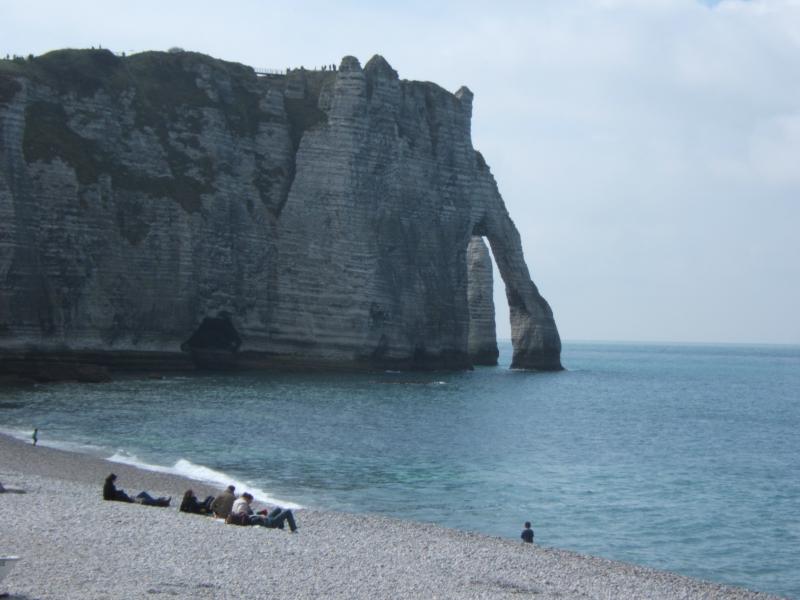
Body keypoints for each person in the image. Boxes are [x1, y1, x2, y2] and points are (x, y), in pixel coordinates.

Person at [230, 492, 297, 532]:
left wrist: (258, 514)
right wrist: (260, 516)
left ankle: (281, 527)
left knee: (278, 509)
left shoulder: (237, 501)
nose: (250, 503)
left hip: (262, 520)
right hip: (269, 523)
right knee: (288, 511)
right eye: (250, 501)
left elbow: (246, 515)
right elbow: (242, 513)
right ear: (247, 499)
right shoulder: (243, 504)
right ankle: (293, 529)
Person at [102, 473, 170, 507]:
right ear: (112, 479)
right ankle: (162, 502)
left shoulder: (109, 485)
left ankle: (158, 500)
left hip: (127, 498)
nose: (115, 480)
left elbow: (112, 494)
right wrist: (121, 493)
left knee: (143, 494)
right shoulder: (108, 486)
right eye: (115, 479)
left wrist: (120, 492)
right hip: (128, 499)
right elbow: (110, 496)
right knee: (144, 500)